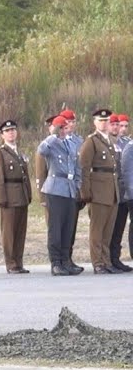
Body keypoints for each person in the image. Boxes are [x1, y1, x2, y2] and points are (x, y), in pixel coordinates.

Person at [38, 115, 84, 275]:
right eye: (60, 128)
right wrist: (52, 135)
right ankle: (56, 262)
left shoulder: (72, 144)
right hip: (56, 189)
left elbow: (77, 165)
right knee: (56, 228)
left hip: (70, 189)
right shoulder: (51, 144)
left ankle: (66, 260)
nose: (63, 131)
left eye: (64, 128)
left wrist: (77, 184)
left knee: (68, 227)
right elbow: (41, 150)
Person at [79, 108, 119, 273]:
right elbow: (84, 167)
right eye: (101, 121)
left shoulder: (110, 141)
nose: (104, 123)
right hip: (98, 191)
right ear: (94, 123)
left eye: (107, 121)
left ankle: (106, 260)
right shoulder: (91, 141)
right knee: (97, 229)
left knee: (108, 230)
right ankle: (98, 263)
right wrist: (85, 191)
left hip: (111, 190)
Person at [0, 120, 32, 274]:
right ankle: (11, 263)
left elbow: (25, 176)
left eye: (13, 130)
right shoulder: (0, 153)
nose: (11, 133)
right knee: (9, 232)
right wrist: (2, 199)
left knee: (20, 232)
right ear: (2, 135)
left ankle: (19, 262)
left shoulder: (19, 153)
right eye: (7, 131)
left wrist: (28, 194)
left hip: (21, 196)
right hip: (9, 197)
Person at [115, 115, 133, 271]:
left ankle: (115, 257)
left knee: (122, 226)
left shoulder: (127, 143)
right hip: (124, 193)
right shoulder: (128, 147)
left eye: (126, 126)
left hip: (126, 193)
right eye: (121, 125)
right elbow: (125, 172)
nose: (123, 129)